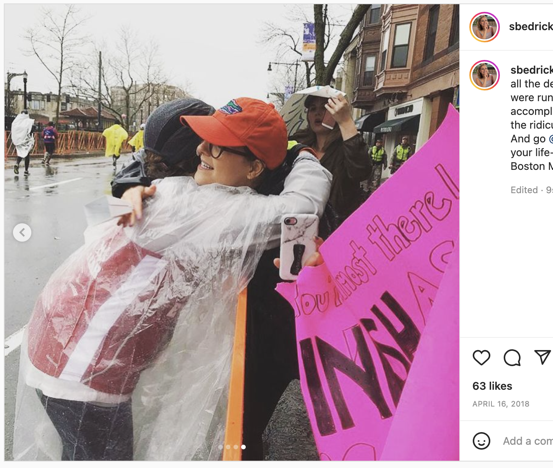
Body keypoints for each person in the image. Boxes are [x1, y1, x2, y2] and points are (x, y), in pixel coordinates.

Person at [13, 97, 331, 461]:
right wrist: (306, 156)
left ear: (255, 166)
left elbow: (96, 214)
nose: (202, 149)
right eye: (202, 139)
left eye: (216, 146)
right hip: (81, 367)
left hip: (56, 340)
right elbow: (300, 210)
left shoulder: (172, 192)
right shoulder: (205, 205)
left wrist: (132, 188)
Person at [296, 92, 370, 224]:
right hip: (301, 227)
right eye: (313, 109)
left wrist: (346, 122)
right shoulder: (298, 146)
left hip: (336, 228)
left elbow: (360, 171)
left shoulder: (346, 147)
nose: (318, 113)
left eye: (325, 107)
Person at [11, 111, 35, 176]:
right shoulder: (29, 122)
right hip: (26, 141)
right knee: (26, 154)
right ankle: (26, 171)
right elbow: (31, 130)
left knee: (20, 153)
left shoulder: (15, 122)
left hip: (18, 141)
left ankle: (17, 163)